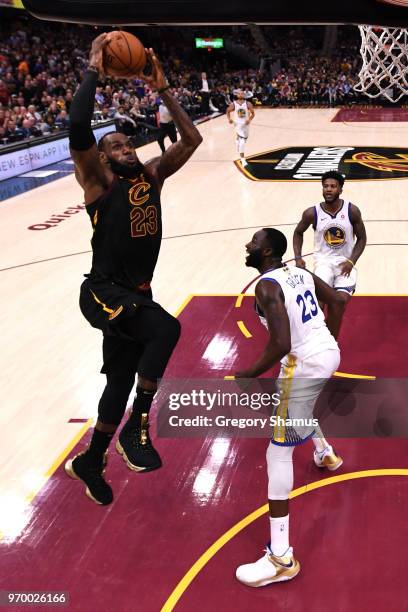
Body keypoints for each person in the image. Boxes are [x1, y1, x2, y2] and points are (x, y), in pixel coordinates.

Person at [64, 33, 202, 506]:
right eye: (116, 146)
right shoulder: (98, 182)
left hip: (134, 294)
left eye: (128, 143)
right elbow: (79, 124)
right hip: (103, 291)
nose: (127, 148)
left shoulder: (152, 175)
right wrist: (92, 70)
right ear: (102, 158)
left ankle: (92, 458)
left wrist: (163, 89)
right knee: (166, 330)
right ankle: (137, 431)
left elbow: (193, 138)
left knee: (118, 385)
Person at [234, 228, 346, 587]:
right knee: (296, 409)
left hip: (303, 362)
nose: (248, 246)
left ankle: (281, 557)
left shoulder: (266, 286)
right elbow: (338, 301)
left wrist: (247, 373)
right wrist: (328, 339)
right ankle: (325, 453)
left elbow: (281, 342)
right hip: (325, 353)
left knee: (276, 453)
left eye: (253, 242)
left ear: (267, 252)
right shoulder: (299, 271)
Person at [293, 171, 366, 338]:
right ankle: (315, 338)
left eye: (333, 186)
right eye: (325, 186)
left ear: (340, 189)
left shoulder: (351, 211)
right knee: (317, 304)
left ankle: (330, 341)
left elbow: (362, 238)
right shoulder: (312, 213)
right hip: (323, 262)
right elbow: (298, 232)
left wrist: (352, 261)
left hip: (345, 263)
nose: (328, 189)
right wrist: (298, 257)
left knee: (338, 304)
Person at [226, 89, 255, 166]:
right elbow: (227, 111)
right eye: (240, 94)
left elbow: (253, 114)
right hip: (238, 124)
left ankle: (237, 140)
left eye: (242, 94)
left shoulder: (248, 104)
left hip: (246, 124)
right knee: (242, 143)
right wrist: (229, 119)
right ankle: (242, 159)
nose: (241, 95)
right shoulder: (233, 104)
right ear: (237, 95)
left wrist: (249, 120)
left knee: (244, 139)